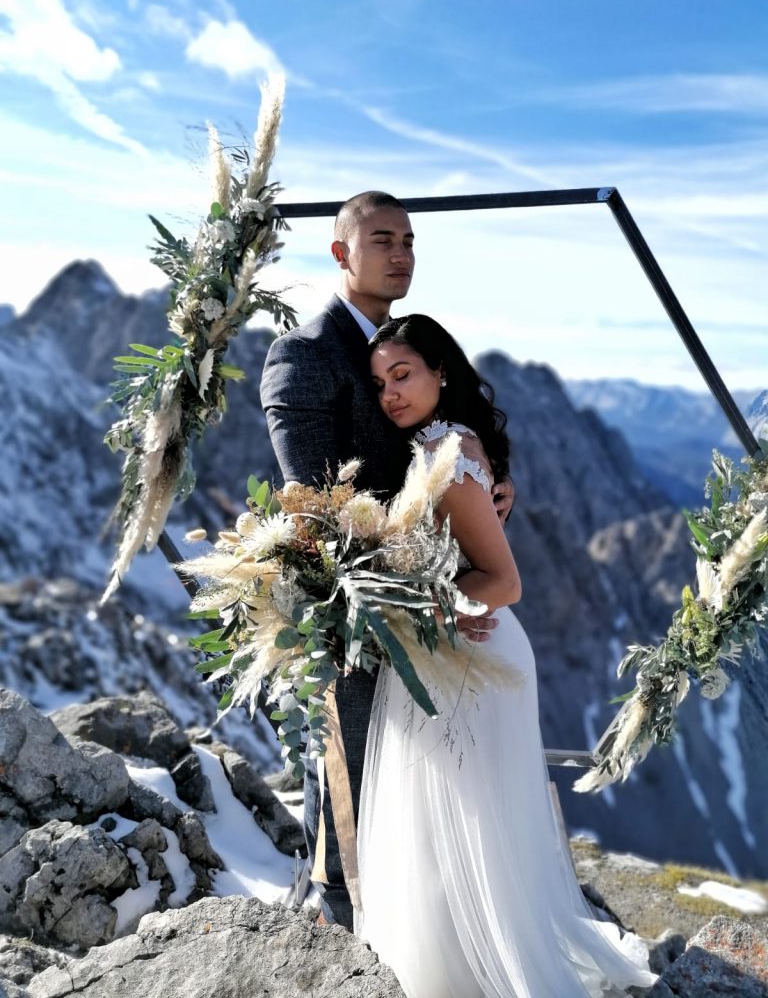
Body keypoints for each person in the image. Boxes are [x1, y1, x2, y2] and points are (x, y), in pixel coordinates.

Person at [359, 312, 656, 997]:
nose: (390, 394)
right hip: (451, 654)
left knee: (472, 826)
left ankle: (482, 976)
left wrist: (423, 607)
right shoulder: (435, 445)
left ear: (440, 372)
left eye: (402, 375)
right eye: (379, 384)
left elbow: (505, 582)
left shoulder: (449, 450)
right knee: (446, 827)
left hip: (474, 659)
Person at [259, 191, 514, 930]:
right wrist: (420, 583)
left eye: (408, 241)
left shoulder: (407, 343)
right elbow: (314, 503)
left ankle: (424, 927)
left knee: (422, 790)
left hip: (433, 608)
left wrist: (488, 488)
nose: (400, 254)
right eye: (382, 240)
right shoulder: (304, 354)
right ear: (341, 252)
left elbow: (449, 450)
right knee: (350, 779)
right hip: (356, 610)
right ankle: (340, 933)